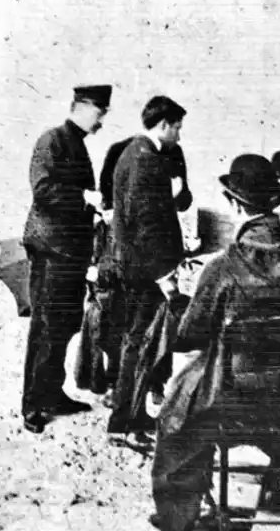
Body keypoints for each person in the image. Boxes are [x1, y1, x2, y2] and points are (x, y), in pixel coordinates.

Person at [150, 154, 280, 531]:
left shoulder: (222, 267)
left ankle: (179, 513)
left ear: (236, 205)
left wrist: (174, 296)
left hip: (233, 398)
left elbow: (190, 336)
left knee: (178, 407)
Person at [21, 84, 112, 434]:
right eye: (99, 113)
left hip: (70, 250)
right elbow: (42, 190)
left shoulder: (75, 143)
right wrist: (85, 198)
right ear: (81, 106)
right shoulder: (52, 140)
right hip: (51, 250)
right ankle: (32, 404)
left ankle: (52, 393)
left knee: (64, 323)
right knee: (45, 326)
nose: (102, 120)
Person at [106, 95, 187, 446]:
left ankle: (132, 417)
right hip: (145, 272)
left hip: (137, 268)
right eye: (178, 128)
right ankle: (125, 425)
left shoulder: (135, 153)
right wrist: (163, 276)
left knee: (138, 346)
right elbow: (146, 225)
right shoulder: (147, 160)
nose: (180, 136)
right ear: (164, 125)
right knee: (140, 348)